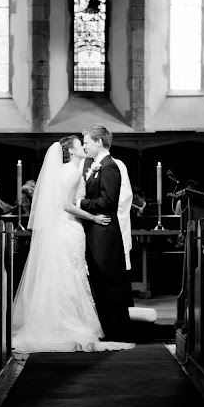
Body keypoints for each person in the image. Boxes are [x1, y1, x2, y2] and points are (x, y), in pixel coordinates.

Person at [11, 136, 135, 353]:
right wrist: (93, 217)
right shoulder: (74, 172)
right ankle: (70, 323)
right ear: (71, 150)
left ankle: (61, 322)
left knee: (68, 273)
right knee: (72, 272)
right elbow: (66, 205)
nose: (83, 146)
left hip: (66, 227)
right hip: (70, 226)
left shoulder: (67, 170)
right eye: (80, 144)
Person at [79, 124, 134, 341]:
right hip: (97, 234)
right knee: (102, 286)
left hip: (105, 235)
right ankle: (109, 330)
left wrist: (80, 203)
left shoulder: (110, 166)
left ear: (99, 141)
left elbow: (108, 201)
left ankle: (117, 333)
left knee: (109, 285)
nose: (84, 146)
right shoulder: (99, 165)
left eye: (87, 142)